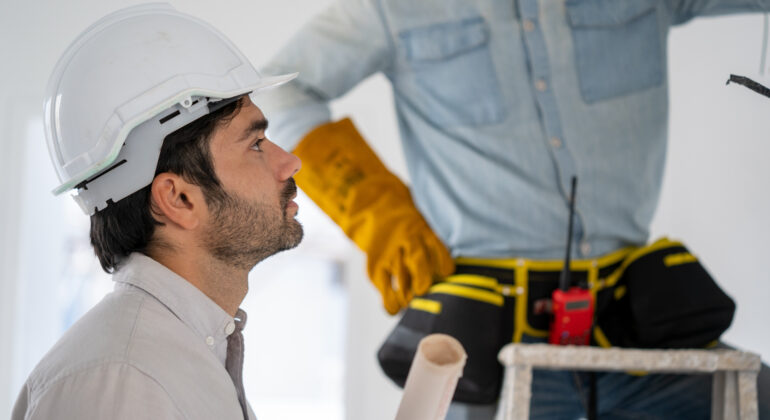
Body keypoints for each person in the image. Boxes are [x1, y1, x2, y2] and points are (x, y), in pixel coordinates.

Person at [256, 0, 770, 418]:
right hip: (485, 353)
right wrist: (378, 212)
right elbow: (281, 87)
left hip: (640, 330)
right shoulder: (394, 8)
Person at [12, 4, 302, 419]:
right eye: (254, 144)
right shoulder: (121, 383)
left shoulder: (184, 355)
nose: (290, 162)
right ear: (178, 199)